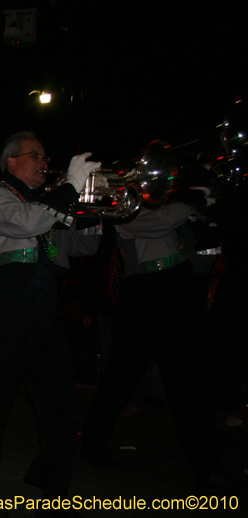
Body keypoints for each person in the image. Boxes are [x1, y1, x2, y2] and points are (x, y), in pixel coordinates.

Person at [0, 131, 101, 518]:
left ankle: (54, 490)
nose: (44, 161)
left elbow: (83, 247)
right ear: (11, 161)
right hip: (6, 309)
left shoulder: (51, 204)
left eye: (45, 155)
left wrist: (92, 206)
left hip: (45, 312)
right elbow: (25, 223)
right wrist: (71, 187)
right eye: (35, 155)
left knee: (64, 405)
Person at [79, 184, 229, 493]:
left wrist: (211, 224)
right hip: (144, 295)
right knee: (121, 378)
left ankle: (209, 468)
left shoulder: (179, 214)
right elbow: (156, 223)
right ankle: (92, 444)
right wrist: (192, 205)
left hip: (179, 291)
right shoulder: (131, 210)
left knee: (190, 385)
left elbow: (202, 265)